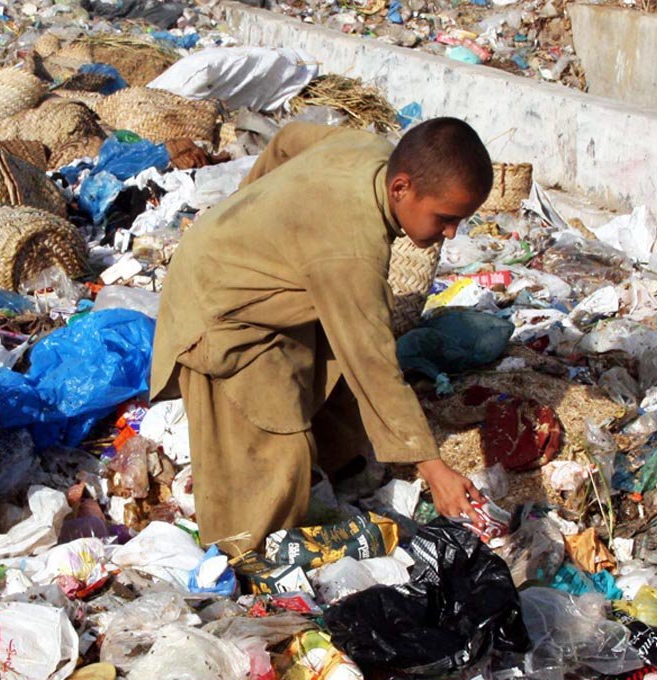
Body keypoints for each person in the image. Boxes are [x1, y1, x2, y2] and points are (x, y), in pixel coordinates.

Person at [150, 117, 495, 556]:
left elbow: (291, 137)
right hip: (218, 309)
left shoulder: (368, 149)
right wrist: (434, 468)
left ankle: (332, 470)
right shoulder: (351, 251)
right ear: (401, 188)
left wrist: (249, 207)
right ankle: (247, 561)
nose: (450, 234)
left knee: (331, 368)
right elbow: (375, 367)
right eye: (445, 218)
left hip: (252, 279)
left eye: (459, 221)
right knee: (276, 450)